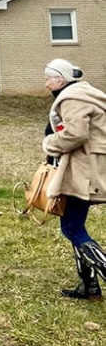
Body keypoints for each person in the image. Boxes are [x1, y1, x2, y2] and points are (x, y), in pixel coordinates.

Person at [42, 58, 106, 300]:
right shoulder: (85, 94)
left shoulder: (72, 98)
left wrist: (49, 144)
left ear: (60, 79)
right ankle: (89, 287)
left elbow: (76, 134)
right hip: (88, 166)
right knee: (74, 225)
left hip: (83, 170)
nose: (47, 84)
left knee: (72, 227)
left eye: (48, 79)